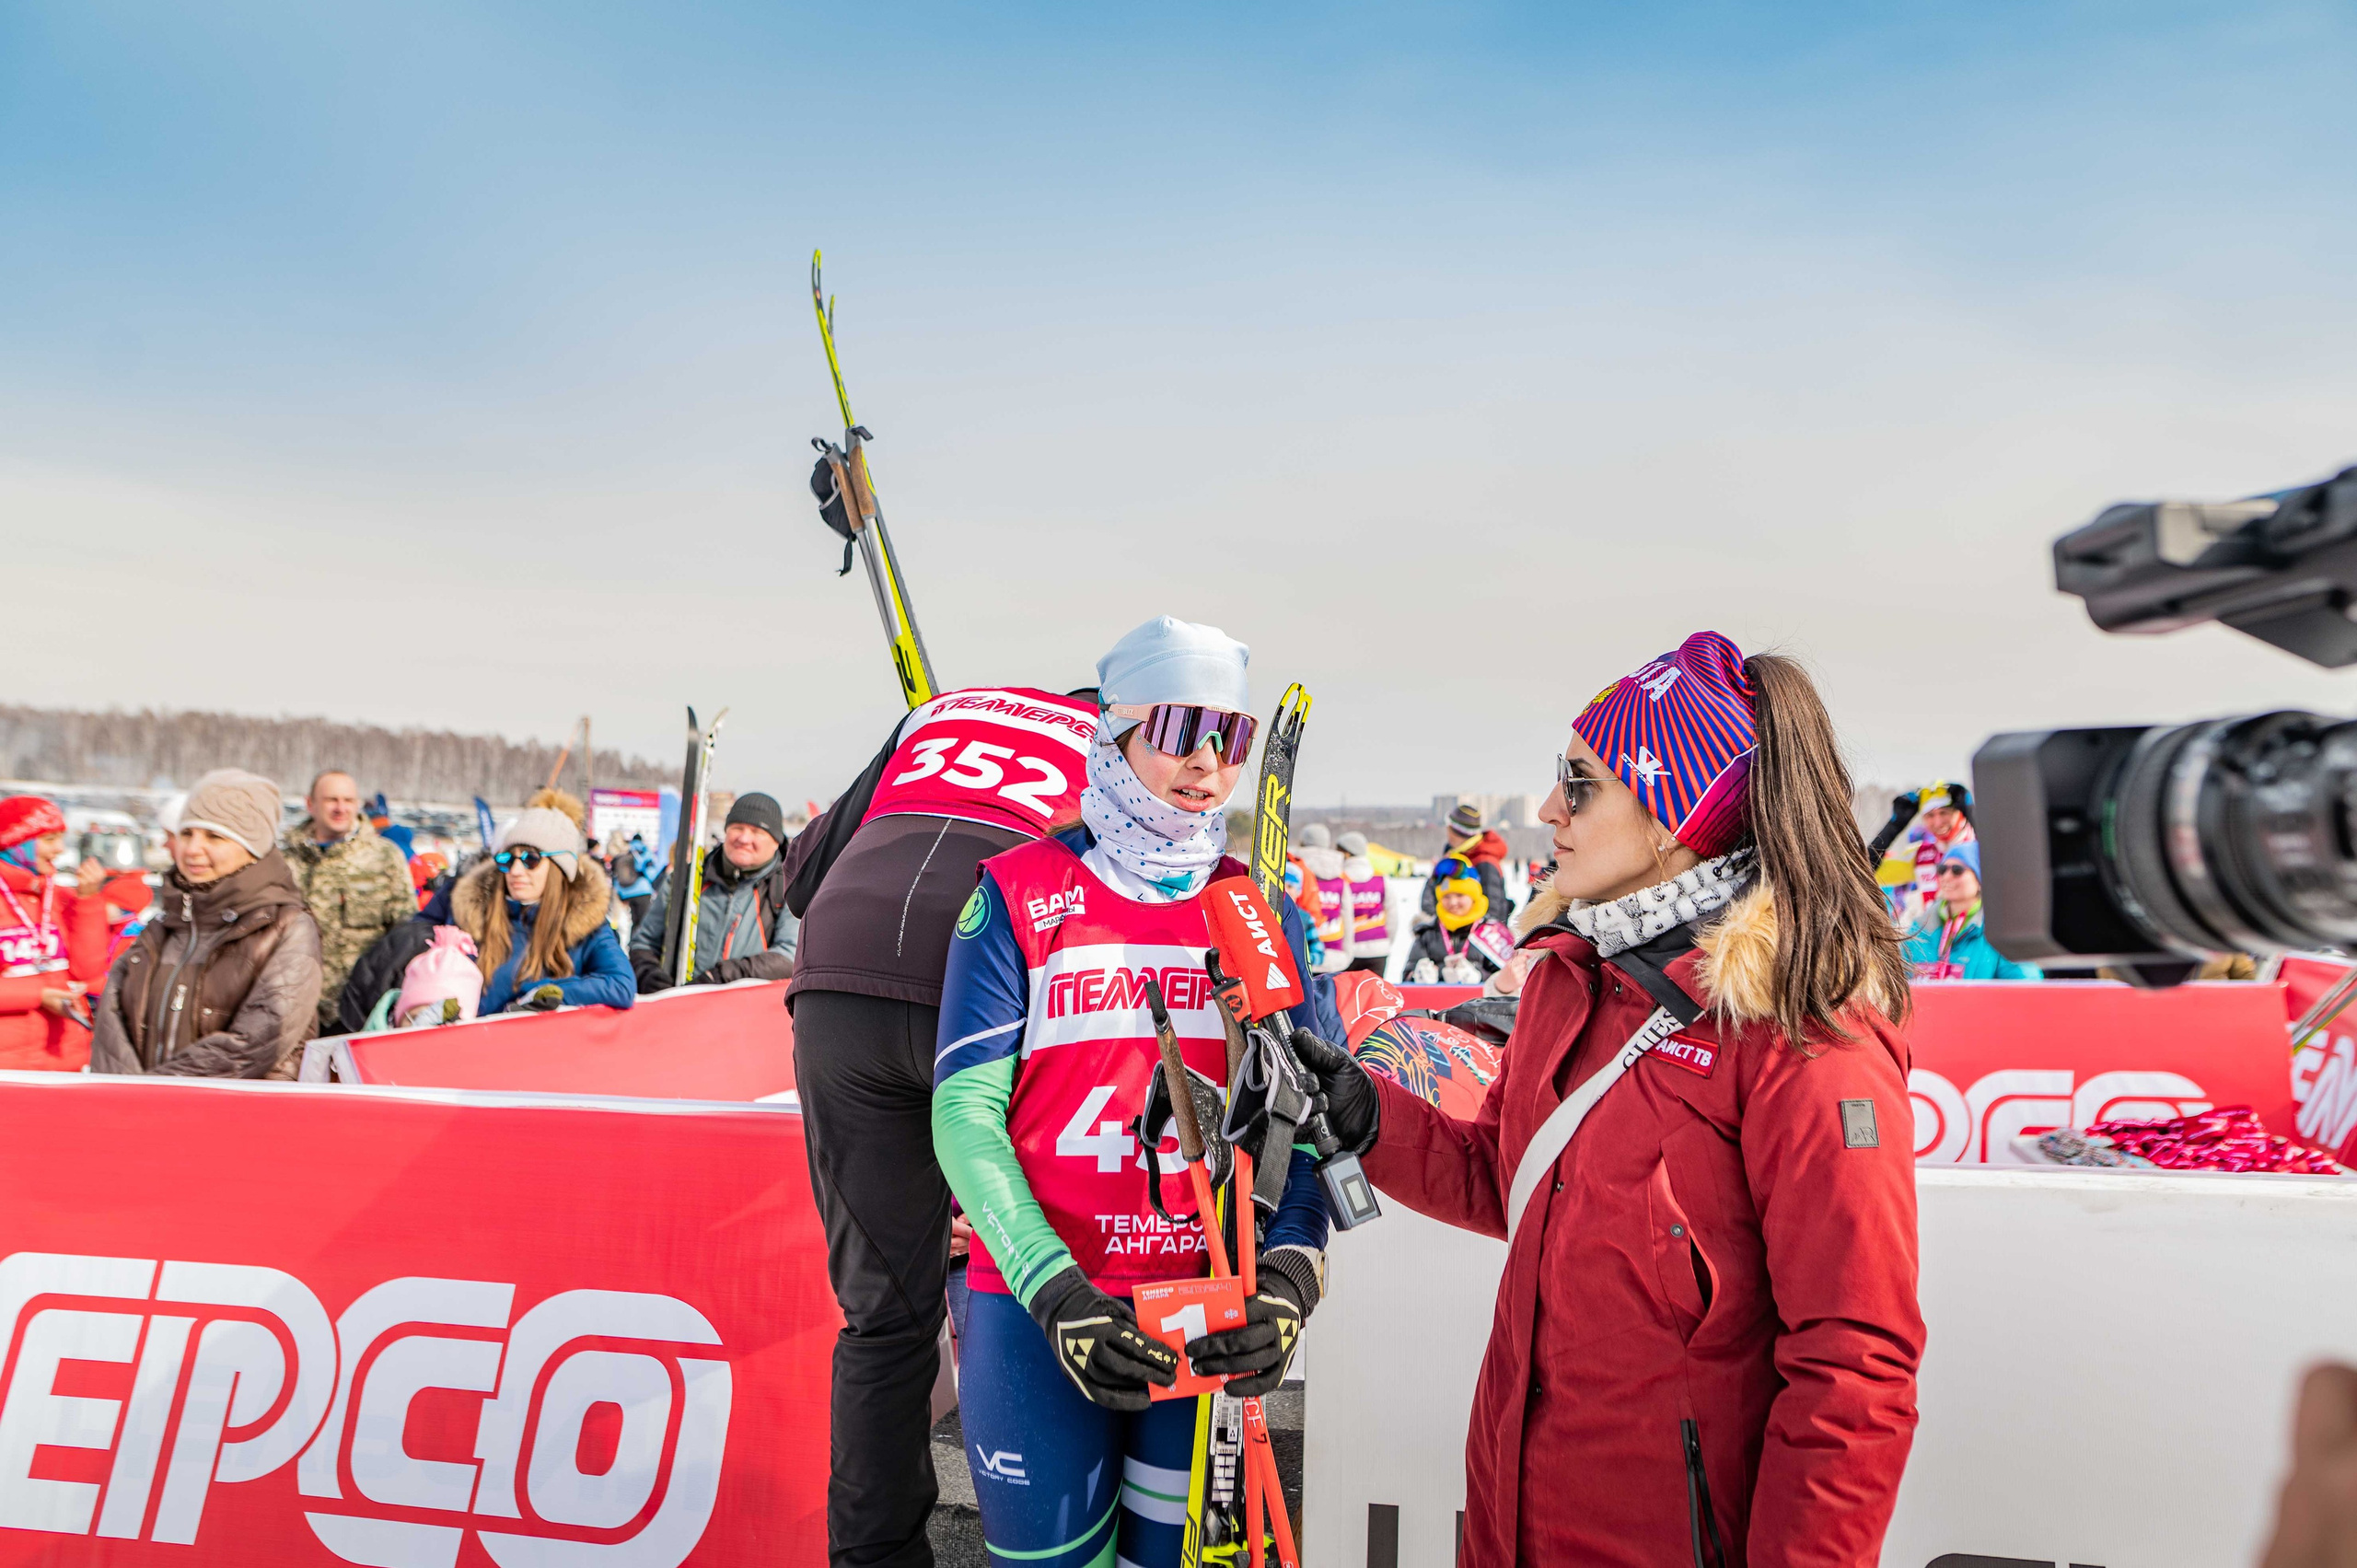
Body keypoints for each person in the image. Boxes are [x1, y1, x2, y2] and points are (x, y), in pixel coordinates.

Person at [1289, 632, 1922, 1566]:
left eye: (1579, 783)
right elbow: (1507, 1179)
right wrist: (1365, 1112)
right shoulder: (1568, 976)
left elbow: (1854, 1363)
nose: (1549, 807)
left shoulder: (1800, 1022)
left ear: (1673, 812)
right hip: (1512, 1523)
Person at [932, 616, 1334, 1568]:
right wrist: (1052, 1286)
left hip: (1208, 1309)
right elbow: (963, 1113)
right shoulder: (1018, 891)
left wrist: (1288, 1275)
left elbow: (1313, 1127)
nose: (1206, 759)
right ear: (1112, 736)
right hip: (1042, 1309)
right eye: (1177, 728)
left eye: (1229, 736)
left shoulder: (1260, 908)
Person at [777, 672, 1104, 1568]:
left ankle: (875, 1557)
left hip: (840, 977)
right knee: (1056, 1265)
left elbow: (798, 876)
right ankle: (1060, 1529)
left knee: (883, 1315)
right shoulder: (1124, 734)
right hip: (986, 961)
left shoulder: (948, 706)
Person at [90, 769, 324, 1078]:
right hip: (144, 1115)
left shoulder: (286, 927)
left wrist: (155, 1091)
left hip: (240, 1117)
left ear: (253, 849)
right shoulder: (163, 928)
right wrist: (125, 1100)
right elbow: (112, 1026)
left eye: (214, 836)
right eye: (187, 834)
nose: (193, 849)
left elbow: (258, 1040)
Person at [446, 808, 634, 1015]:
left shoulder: (586, 925)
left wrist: (545, 993)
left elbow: (621, 985)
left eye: (531, 860)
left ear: (558, 868)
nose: (516, 871)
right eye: (507, 859)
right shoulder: (475, 918)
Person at [282, 769, 415, 1033]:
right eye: (331, 799)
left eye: (348, 800)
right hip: (292, 1007)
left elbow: (404, 935)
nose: (341, 808)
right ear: (311, 804)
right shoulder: (285, 862)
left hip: (357, 1011)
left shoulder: (384, 858)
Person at [629, 792, 799, 991]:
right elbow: (644, 942)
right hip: (680, 1009)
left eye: (757, 831)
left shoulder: (789, 889)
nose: (744, 838)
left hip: (746, 1014)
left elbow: (789, 956)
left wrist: (721, 976)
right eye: (737, 828)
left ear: (776, 841)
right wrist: (647, 972)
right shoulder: (687, 879)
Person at [0, 795, 112, 1072]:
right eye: (49, 839)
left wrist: (88, 900)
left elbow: (87, 971)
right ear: (15, 842)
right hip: (8, 1069)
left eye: (62, 838)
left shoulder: (58, 898)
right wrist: (39, 995)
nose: (60, 849)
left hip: (66, 1063)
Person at [1901, 841, 2040, 980]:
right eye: (1942, 870)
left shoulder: (2002, 931)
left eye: (1957, 870)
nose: (1946, 877)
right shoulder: (1919, 927)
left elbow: (2027, 984)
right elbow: (1898, 981)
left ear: (1981, 880)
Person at [1869, 780, 1975, 924]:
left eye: (1944, 812)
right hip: (1938, 941)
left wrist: (1973, 815)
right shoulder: (1922, 854)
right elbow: (1865, 870)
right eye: (1930, 815)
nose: (1938, 822)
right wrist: (1894, 827)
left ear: (1960, 812)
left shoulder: (1980, 847)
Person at [1405, 869, 1515, 986]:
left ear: (1473, 898)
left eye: (1459, 895)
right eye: (1447, 896)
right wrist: (1417, 977)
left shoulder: (1492, 932)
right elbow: (1407, 975)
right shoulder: (1427, 933)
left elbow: (1510, 978)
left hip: (1481, 1003)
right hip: (1436, 1002)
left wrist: (1480, 976)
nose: (1453, 902)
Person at [1421, 802, 1510, 920]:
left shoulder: (1484, 862)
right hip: (1448, 931)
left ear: (1453, 831)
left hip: (1472, 934)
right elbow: (1432, 896)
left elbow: (1492, 913)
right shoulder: (1452, 856)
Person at [1294, 822, 1352, 974]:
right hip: (1335, 954)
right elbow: (1347, 917)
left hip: (1302, 955)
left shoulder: (1293, 869)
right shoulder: (1340, 876)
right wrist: (1347, 953)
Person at [1333, 830, 1393, 973]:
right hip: (1378, 950)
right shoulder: (1380, 877)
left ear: (1346, 853)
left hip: (1348, 951)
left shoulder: (1339, 879)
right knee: (1374, 994)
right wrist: (1385, 942)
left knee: (1346, 995)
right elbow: (1392, 914)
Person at [610, 830, 656, 930]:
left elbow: (615, 875)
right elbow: (651, 873)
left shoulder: (624, 851)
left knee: (634, 922)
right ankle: (639, 944)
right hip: (643, 890)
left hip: (626, 892)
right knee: (644, 922)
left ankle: (633, 944)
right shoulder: (644, 851)